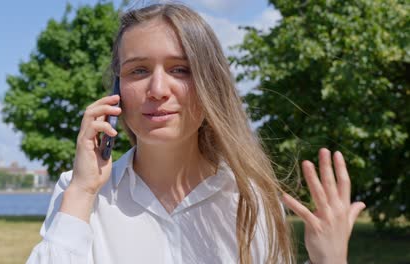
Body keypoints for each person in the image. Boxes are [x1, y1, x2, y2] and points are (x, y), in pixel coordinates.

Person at [27, 3, 366, 264]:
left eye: (181, 69)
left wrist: (329, 259)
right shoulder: (79, 194)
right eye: (139, 70)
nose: (158, 89)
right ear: (118, 89)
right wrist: (83, 191)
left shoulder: (252, 199)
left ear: (211, 86)